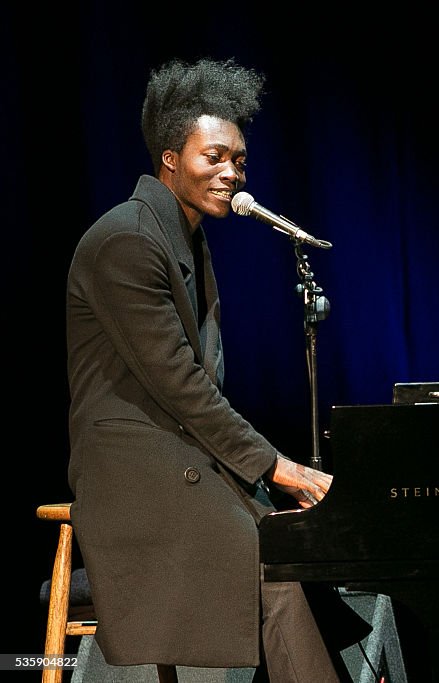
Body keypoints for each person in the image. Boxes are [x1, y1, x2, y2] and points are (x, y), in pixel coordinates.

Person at [65, 57, 368, 682]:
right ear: (170, 159)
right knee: (263, 558)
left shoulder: (182, 235)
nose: (232, 172)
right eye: (215, 157)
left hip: (181, 464)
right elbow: (182, 386)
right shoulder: (127, 240)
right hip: (134, 475)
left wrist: (269, 471)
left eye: (240, 159)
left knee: (288, 557)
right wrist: (278, 467)